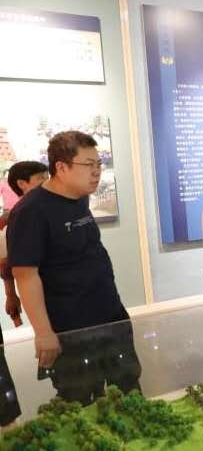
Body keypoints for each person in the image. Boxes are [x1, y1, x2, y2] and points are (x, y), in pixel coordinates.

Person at [8, 131, 141, 406]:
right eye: (88, 164)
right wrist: (43, 333)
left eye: (99, 164)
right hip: (71, 329)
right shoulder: (31, 211)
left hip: (111, 316)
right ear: (61, 167)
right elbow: (26, 276)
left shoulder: (80, 198)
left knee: (129, 390)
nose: (97, 172)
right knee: (81, 401)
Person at [0, 161, 48, 329]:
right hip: (44, 288)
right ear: (22, 183)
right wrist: (10, 294)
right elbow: (6, 262)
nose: (47, 181)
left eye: (47, 177)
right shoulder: (16, 216)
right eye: (41, 178)